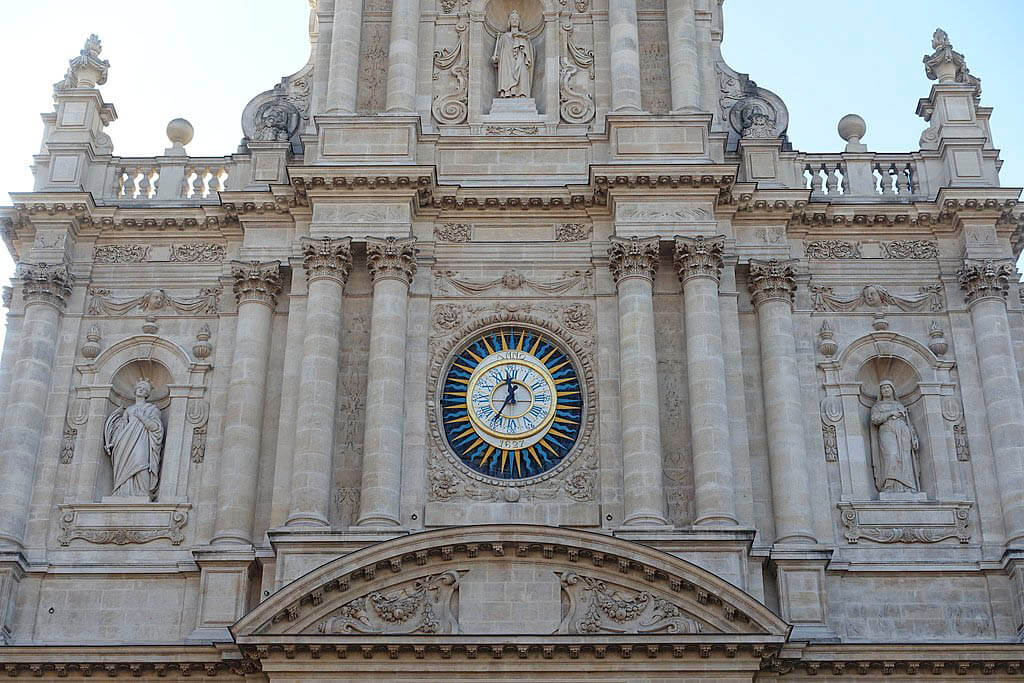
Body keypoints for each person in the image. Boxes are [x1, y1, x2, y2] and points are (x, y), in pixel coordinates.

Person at [104, 378, 164, 499]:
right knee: (124, 465)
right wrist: (113, 442)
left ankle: (143, 492)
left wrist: (142, 417)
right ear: (135, 390)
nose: (141, 390)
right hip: (125, 441)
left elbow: (156, 427)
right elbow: (121, 428)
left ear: (147, 394)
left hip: (142, 440)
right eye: (140, 388)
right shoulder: (129, 410)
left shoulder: (152, 409)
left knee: (141, 462)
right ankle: (122, 491)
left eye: (144, 389)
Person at [870, 379, 919, 493]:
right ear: (880, 392)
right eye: (883, 388)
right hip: (887, 430)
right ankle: (890, 485)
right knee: (891, 455)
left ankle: (906, 486)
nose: (886, 390)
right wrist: (890, 414)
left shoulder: (899, 405)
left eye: (888, 387)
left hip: (903, 431)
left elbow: (908, 422)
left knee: (905, 458)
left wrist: (914, 437)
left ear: (892, 390)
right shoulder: (877, 406)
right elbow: (874, 419)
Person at [492, 10, 534, 98]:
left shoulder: (524, 36)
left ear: (519, 22)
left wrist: (523, 42)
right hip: (506, 62)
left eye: (516, 19)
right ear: (509, 22)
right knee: (506, 75)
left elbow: (530, 52)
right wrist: (496, 58)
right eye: (512, 19)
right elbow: (499, 51)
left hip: (520, 59)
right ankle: (507, 93)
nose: (514, 20)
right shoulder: (504, 36)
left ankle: (522, 93)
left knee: (522, 73)